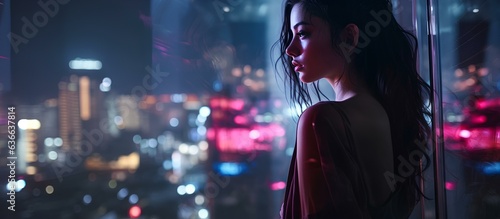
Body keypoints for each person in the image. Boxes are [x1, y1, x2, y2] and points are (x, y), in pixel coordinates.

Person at [274, 0, 432, 218]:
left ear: (349, 37)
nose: (290, 49)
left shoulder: (320, 119)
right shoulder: (385, 114)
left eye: (303, 34)